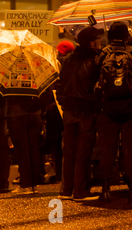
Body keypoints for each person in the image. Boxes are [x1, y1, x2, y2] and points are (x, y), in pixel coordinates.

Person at [56, 26, 103, 201]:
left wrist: (64, 102)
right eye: (97, 40)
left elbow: (59, 85)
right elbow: (98, 87)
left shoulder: (67, 60)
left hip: (68, 111)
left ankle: (66, 189)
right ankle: (81, 191)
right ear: (91, 43)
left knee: (69, 151)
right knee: (84, 151)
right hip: (86, 111)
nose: (100, 42)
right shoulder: (95, 60)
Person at [96, 22, 132, 203]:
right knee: (130, 150)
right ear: (126, 36)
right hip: (129, 110)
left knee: (107, 150)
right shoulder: (131, 53)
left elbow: (94, 81)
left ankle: (105, 188)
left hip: (107, 110)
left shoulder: (103, 54)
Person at [6, 89, 53, 194]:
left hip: (17, 113)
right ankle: (33, 182)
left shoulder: (13, 76)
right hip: (35, 114)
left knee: (22, 150)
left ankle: (26, 183)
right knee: (33, 149)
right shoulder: (36, 74)